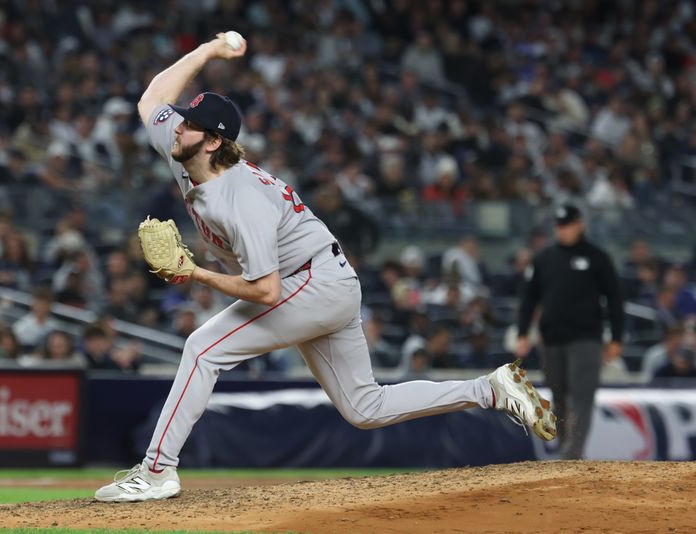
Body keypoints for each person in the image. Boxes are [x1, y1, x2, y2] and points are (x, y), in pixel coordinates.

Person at [94, 32, 556, 503]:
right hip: (323, 278)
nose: (176, 127)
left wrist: (194, 273)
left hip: (311, 282)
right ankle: (491, 390)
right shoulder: (186, 152)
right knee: (364, 407)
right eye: (181, 122)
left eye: (188, 125)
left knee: (203, 348)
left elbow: (267, 291)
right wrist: (209, 51)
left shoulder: (238, 199)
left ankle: (156, 471)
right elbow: (153, 97)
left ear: (213, 141)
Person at [516, 203, 624, 460]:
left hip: (586, 339)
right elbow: (529, 298)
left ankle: (572, 452)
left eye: (566, 225)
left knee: (582, 395)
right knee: (558, 396)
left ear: (580, 225)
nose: (562, 230)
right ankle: (567, 448)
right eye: (558, 225)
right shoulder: (544, 259)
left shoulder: (597, 258)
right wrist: (522, 332)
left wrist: (617, 337)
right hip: (552, 339)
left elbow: (615, 298)